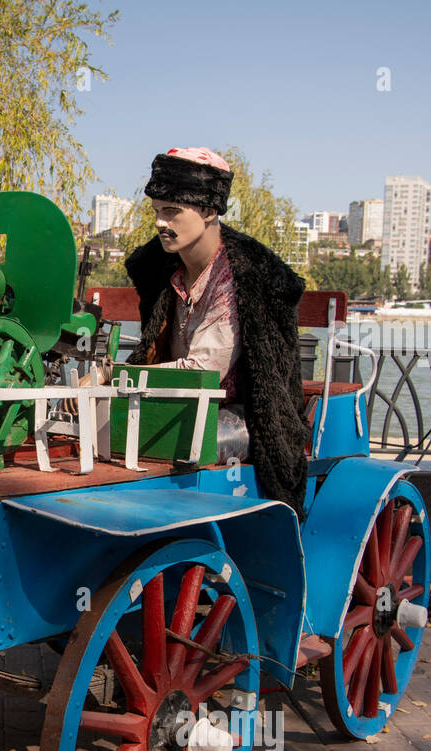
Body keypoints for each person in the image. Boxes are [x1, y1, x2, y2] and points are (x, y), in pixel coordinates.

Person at [123, 147, 310, 517]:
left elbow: (202, 373)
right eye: (157, 210)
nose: (161, 222)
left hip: (244, 412)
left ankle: (165, 518)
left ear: (209, 211)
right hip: (176, 400)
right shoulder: (164, 271)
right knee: (103, 426)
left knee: (177, 439)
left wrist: (120, 380)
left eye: (172, 211)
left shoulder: (241, 277)